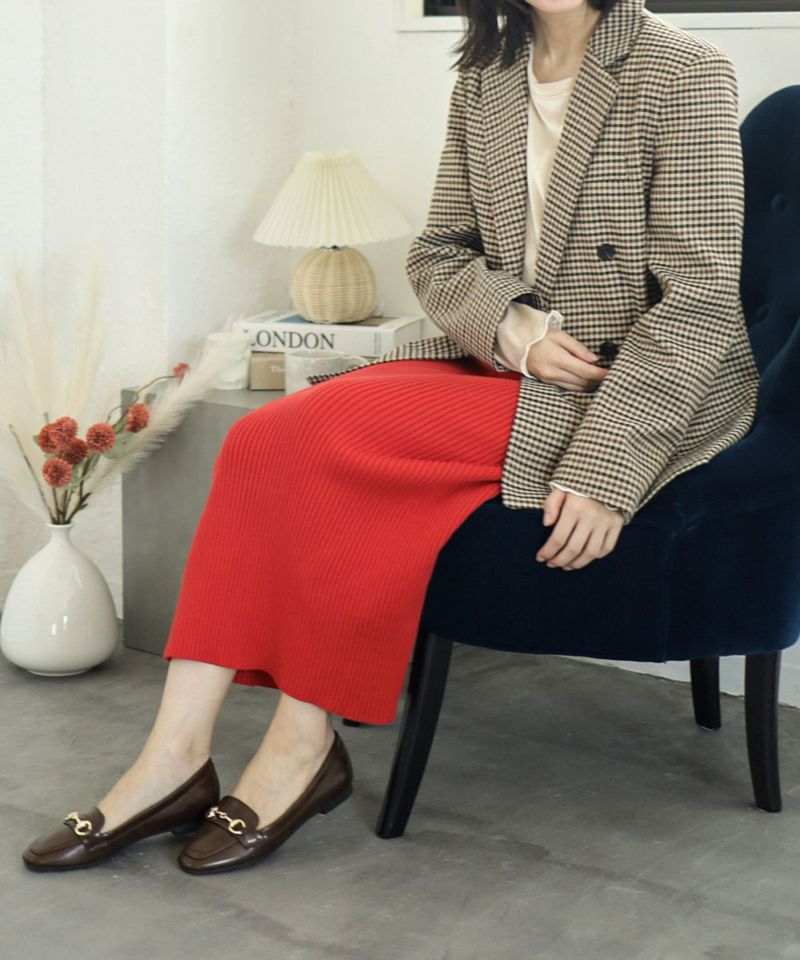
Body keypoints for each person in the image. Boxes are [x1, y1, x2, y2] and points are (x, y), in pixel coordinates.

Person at [22, 0, 758, 875]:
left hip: (618, 386)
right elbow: (439, 255)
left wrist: (608, 469)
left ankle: (300, 747)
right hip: (505, 360)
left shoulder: (685, 71)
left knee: (340, 450)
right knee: (262, 439)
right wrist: (515, 331)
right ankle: (171, 759)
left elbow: (702, 301)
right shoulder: (487, 74)